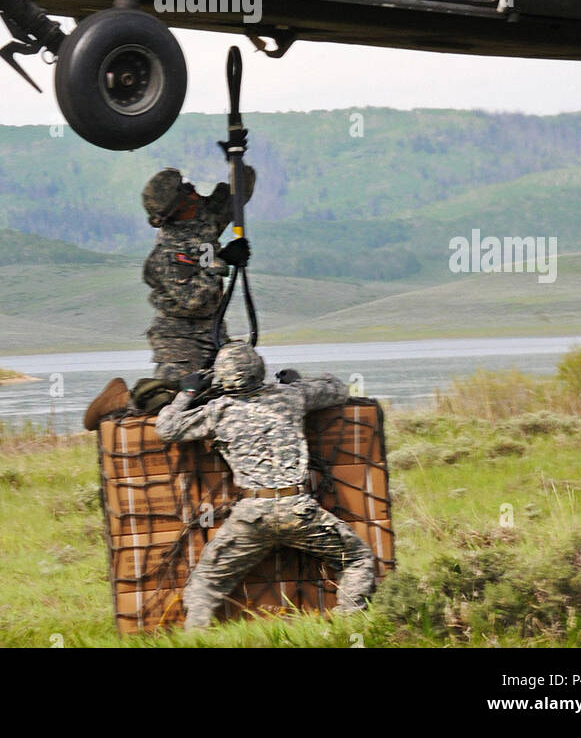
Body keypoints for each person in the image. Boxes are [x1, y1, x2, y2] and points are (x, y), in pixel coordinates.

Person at [154, 340, 376, 631]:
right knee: (357, 559)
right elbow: (336, 388)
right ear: (259, 369)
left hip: (251, 515)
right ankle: (350, 628)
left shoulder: (218, 410)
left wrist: (187, 392)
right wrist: (298, 380)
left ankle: (198, 637)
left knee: (206, 582)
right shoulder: (291, 397)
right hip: (298, 510)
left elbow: (167, 428)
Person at [82, 165, 254, 429]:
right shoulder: (167, 251)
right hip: (179, 336)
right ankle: (120, 399)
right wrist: (222, 261)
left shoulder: (204, 217)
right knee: (171, 399)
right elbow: (193, 298)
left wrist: (236, 160)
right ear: (178, 205)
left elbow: (237, 195)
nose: (194, 191)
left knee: (235, 384)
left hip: (213, 328)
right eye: (186, 190)